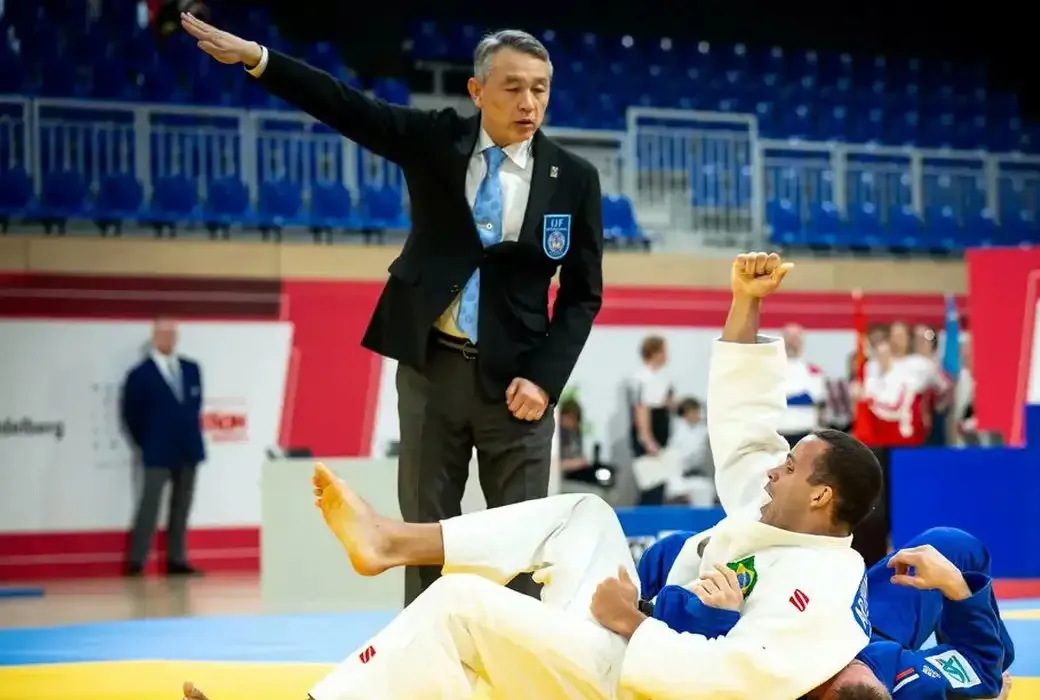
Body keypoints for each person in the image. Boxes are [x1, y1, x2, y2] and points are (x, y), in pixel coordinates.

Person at [182, 251, 885, 700]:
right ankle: (395, 542)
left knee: (459, 609)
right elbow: (742, 428)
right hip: (625, 642)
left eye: (790, 468)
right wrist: (745, 304)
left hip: (638, 674)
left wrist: (636, 625)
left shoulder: (823, 586)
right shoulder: (786, 527)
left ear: (821, 496)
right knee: (583, 516)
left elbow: (735, 683)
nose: (772, 473)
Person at [180, 15, 604, 603]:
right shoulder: (434, 140)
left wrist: (544, 378)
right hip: (432, 370)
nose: (528, 102)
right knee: (421, 536)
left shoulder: (575, 178)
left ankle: (514, 678)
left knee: (524, 545)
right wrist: (259, 58)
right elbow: (347, 107)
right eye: (512, 87)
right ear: (477, 91)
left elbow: (584, 293)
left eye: (540, 88)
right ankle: (426, 674)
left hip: (520, 387)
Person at [637, 527, 1014, 700]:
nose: (848, 660)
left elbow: (714, 676)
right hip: (867, 625)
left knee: (670, 551)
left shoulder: (770, 682)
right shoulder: (907, 683)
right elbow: (982, 667)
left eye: (841, 669)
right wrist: (955, 587)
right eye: (861, 669)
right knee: (954, 548)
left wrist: (718, 620)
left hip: (776, 626)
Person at [121, 318, 204, 576]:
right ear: (154, 337)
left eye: (172, 334)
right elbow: (130, 414)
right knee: (150, 505)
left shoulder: (191, 369)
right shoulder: (140, 374)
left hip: (188, 448)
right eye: (164, 334)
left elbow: (194, 406)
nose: (168, 339)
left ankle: (176, 560)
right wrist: (146, 441)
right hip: (157, 450)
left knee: (182, 506)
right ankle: (137, 561)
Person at [628, 334, 674, 504]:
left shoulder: (660, 377)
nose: (667, 356)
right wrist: (647, 439)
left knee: (661, 486)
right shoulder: (642, 378)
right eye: (664, 351)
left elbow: (662, 403)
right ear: (655, 353)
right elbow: (641, 408)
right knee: (651, 486)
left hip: (661, 439)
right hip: (649, 440)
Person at [778, 323, 828, 446]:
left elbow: (812, 398)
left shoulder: (813, 370)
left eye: (795, 338)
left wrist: (783, 397)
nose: (791, 342)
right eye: (788, 337)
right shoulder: (770, 369)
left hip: (804, 432)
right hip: (777, 433)